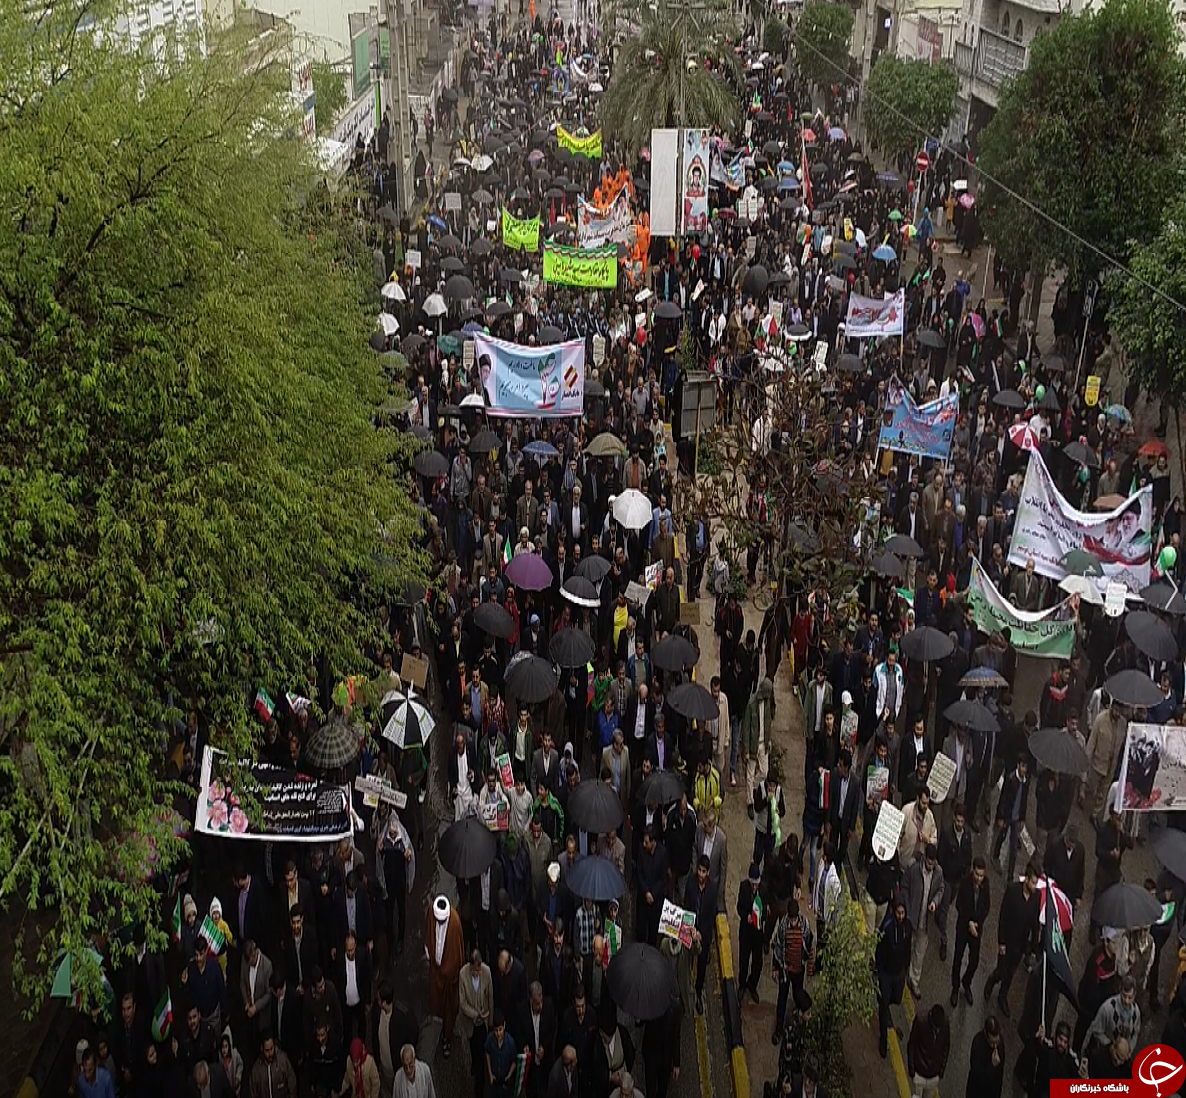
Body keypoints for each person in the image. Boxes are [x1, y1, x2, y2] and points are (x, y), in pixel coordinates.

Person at [983, 862, 1038, 1018]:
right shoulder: (1013, 890)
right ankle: (991, 982)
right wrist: (1001, 941)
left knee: (1011, 973)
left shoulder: (1036, 898)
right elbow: (1003, 916)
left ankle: (1002, 996)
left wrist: (1033, 948)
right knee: (1001, 970)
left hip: (1020, 945)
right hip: (1007, 941)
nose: (1034, 886)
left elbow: (1035, 925)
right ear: (1026, 879)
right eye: (1033, 882)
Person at [426, 895, 466, 1059]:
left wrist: (448, 971)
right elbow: (429, 935)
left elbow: (457, 951)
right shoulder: (431, 914)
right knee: (437, 1003)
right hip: (436, 974)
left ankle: (447, 1038)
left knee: (450, 1009)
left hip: (450, 979)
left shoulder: (455, 921)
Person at [772, 898, 814, 1043]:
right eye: (791, 919)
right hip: (786, 970)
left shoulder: (805, 926)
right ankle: (779, 1030)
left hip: (799, 970)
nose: (793, 922)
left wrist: (808, 968)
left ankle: (798, 1024)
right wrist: (775, 968)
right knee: (782, 999)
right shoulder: (783, 926)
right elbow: (777, 946)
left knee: (798, 996)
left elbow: (809, 945)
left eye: (795, 919)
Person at [950, 857, 990, 1008]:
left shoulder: (986, 885)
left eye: (982, 875)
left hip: (977, 929)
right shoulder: (965, 883)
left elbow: (986, 906)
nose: (979, 878)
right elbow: (960, 904)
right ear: (973, 870)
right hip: (963, 927)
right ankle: (954, 987)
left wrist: (978, 923)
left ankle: (966, 982)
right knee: (958, 957)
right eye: (977, 875)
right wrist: (969, 923)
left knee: (974, 960)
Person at [875, 899, 912, 1059]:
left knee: (896, 999)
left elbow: (908, 947)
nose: (901, 916)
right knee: (884, 1005)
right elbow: (879, 946)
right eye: (898, 913)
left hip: (899, 972)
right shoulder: (888, 926)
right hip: (886, 973)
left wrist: (906, 966)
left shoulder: (908, 927)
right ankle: (883, 1041)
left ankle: (884, 1002)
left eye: (903, 913)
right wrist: (879, 967)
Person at [460, 948, 494, 1098]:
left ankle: (479, 1088)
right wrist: (475, 1015)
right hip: (471, 1023)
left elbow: (490, 998)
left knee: (482, 1051)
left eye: (479, 969)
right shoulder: (463, 975)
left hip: (484, 1022)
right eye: (475, 970)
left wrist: (490, 1020)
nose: (477, 973)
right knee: (473, 1046)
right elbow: (462, 1002)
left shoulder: (487, 972)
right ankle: (475, 1064)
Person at [906, 1004, 950, 1098]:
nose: (938, 1030)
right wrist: (912, 1071)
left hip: (933, 1076)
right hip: (919, 1074)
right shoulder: (920, 1020)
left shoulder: (945, 1023)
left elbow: (946, 1047)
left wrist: (941, 1071)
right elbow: (911, 1044)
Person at [965, 1016, 1004, 1098]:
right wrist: (992, 1066)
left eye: (997, 1041)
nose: (995, 1046)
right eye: (992, 1042)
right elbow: (977, 1076)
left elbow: (1000, 1074)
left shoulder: (1000, 1043)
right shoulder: (978, 1045)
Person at [484, 1011, 518, 1098]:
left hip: (505, 1079)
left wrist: (509, 1075)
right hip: (494, 1078)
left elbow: (514, 1061)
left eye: (500, 1029)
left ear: (504, 1026)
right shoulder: (490, 1039)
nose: (498, 1033)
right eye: (496, 1030)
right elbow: (487, 1052)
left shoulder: (510, 1042)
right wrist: (490, 1073)